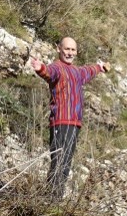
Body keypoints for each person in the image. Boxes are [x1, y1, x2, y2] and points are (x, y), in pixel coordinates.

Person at [30, 37, 110, 198]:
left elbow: (89, 71)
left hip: (74, 124)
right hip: (61, 122)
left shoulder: (77, 72)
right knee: (59, 162)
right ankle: (51, 199)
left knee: (65, 163)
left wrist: (100, 67)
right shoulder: (57, 67)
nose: (70, 53)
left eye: (73, 50)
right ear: (58, 49)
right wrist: (40, 68)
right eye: (67, 49)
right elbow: (49, 73)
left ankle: (54, 198)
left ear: (77, 52)